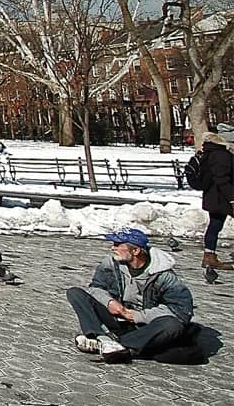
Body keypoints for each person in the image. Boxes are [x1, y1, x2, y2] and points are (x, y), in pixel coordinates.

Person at [66, 228, 193, 363]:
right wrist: (110, 303)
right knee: (75, 293)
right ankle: (104, 339)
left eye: (117, 245)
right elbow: (96, 287)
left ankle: (116, 344)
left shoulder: (164, 276)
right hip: (117, 318)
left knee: (172, 325)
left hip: (145, 327)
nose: (112, 248)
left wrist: (138, 316)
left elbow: (181, 311)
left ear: (135, 251)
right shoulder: (111, 263)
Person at [199, 129, 234, 270]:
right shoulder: (221, 155)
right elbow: (222, 178)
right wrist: (232, 198)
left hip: (214, 196)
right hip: (221, 197)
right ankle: (209, 257)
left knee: (215, 225)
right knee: (215, 226)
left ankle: (209, 256)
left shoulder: (213, 151)